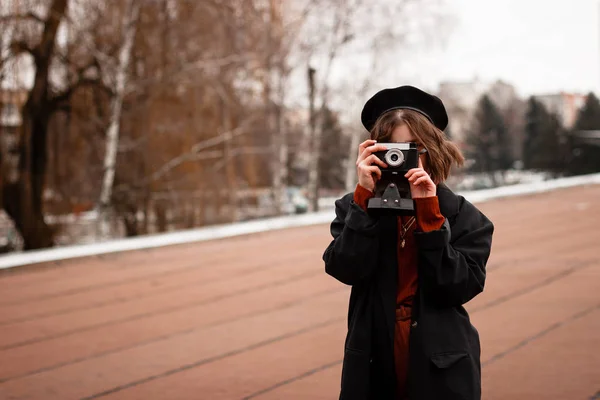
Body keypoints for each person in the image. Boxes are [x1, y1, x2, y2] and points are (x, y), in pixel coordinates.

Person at [323, 85, 494, 400]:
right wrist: (364, 200)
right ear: (372, 152)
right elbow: (345, 268)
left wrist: (430, 214)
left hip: (442, 364)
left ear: (433, 150)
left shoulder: (463, 216)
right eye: (392, 150)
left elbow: (457, 287)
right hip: (373, 358)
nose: (401, 161)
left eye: (413, 149)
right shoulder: (354, 207)